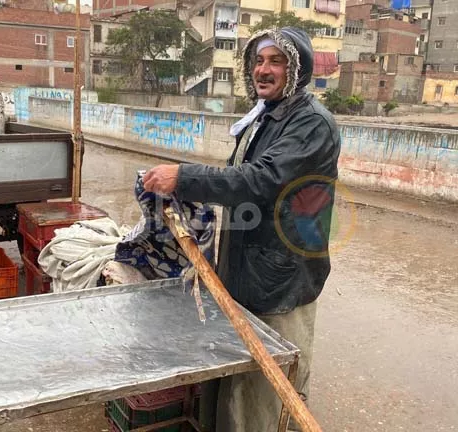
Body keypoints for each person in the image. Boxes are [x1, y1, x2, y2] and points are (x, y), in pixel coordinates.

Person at [143, 27, 340, 431]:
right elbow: (238, 182)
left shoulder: (311, 124)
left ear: (297, 69)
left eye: (276, 62)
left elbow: (259, 180)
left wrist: (184, 178)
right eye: (258, 61)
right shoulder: (265, 117)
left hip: (280, 282)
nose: (263, 70)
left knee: (267, 393)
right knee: (235, 386)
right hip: (243, 271)